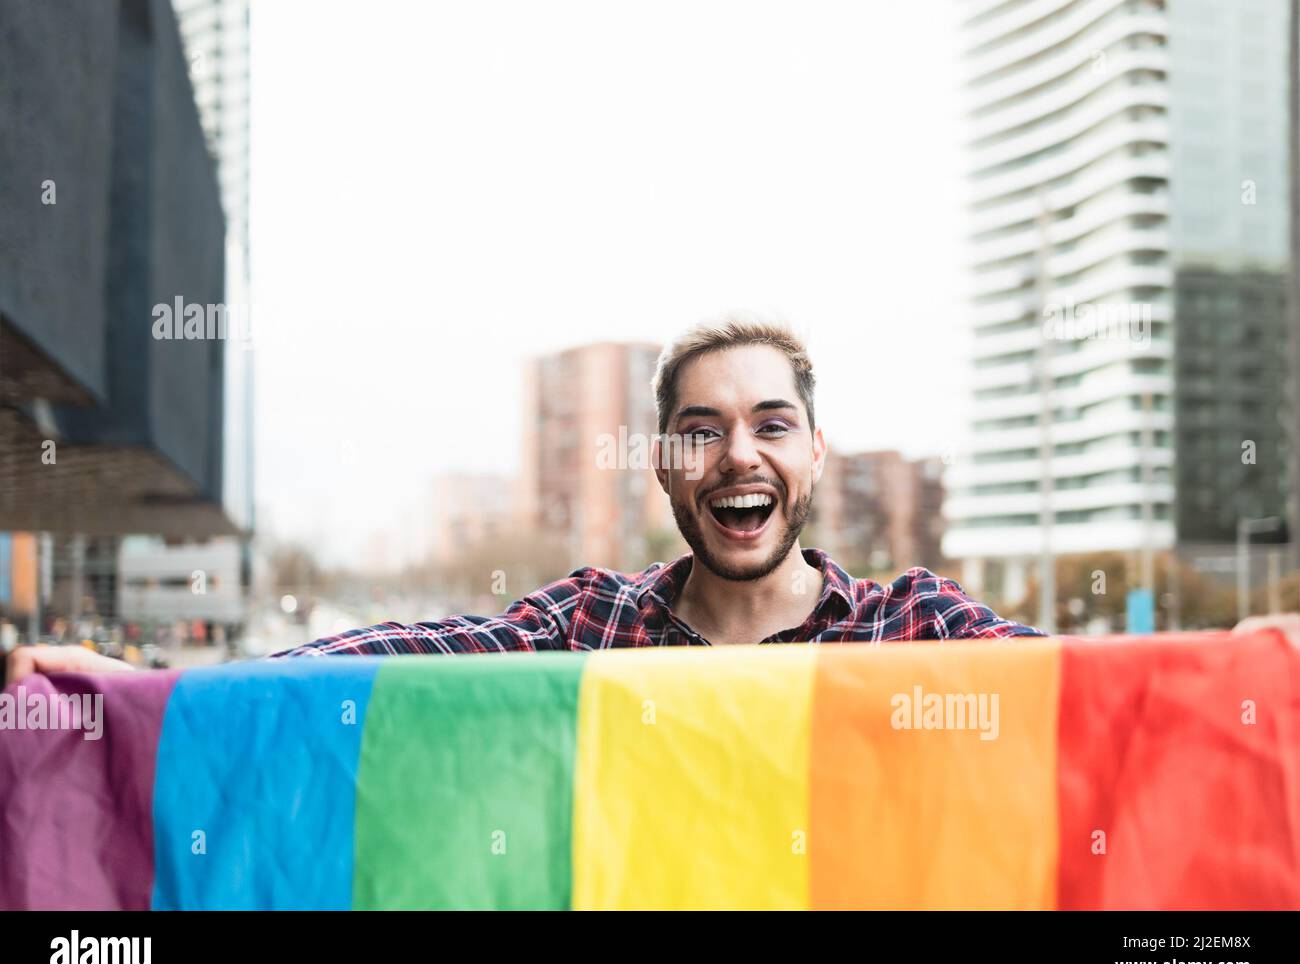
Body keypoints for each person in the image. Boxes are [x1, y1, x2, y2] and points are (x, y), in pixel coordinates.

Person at [6, 318, 1298, 682]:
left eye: (770, 426)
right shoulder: (590, 622)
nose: (739, 456)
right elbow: (392, 654)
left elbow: (1095, 693)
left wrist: (1235, 672)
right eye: (700, 431)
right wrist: (138, 693)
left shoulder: (912, 626)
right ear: (666, 466)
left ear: (815, 456)